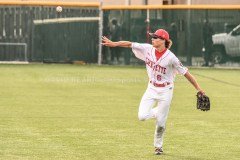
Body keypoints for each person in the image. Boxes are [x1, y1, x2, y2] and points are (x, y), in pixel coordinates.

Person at [102, 29, 205, 155]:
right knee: (142, 116)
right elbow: (130, 44)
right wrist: (114, 44)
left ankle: (158, 147)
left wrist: (199, 89)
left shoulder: (171, 58)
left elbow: (186, 73)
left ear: (163, 41)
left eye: (155, 37)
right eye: (153, 36)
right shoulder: (147, 49)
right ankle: (157, 112)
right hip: (151, 88)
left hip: (166, 90)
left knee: (161, 124)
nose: (152, 39)